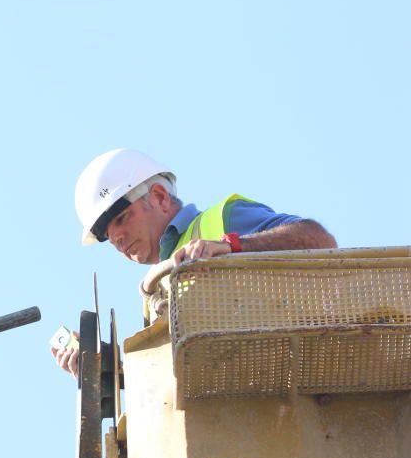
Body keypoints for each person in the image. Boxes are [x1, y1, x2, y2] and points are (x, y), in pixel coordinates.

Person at [53, 148, 336, 376]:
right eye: (107, 236)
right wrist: (113, 372)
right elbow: (180, 379)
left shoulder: (221, 221)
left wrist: (232, 246)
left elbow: (319, 240)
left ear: (160, 197)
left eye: (121, 218)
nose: (117, 238)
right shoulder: (156, 290)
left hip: (289, 374)